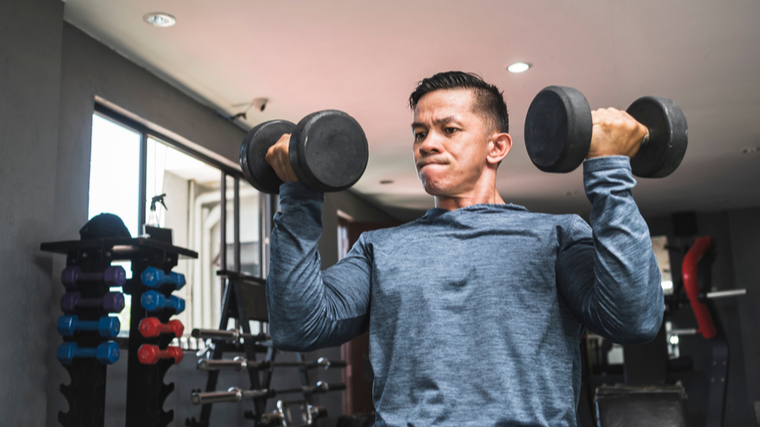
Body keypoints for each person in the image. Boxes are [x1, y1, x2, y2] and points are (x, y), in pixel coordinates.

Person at [263, 71, 664, 427]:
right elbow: (298, 325)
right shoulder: (379, 249)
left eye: (448, 130)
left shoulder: (555, 237)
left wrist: (610, 170)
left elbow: (633, 319)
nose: (426, 144)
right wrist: (298, 195)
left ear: (497, 147)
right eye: (420, 133)